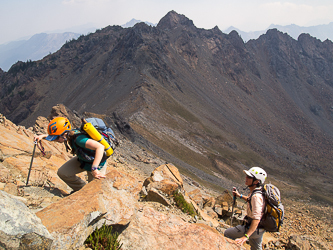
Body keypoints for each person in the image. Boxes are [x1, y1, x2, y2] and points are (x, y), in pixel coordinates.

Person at [34, 117, 107, 193]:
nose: (55, 140)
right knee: (63, 173)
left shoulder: (79, 140)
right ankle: (81, 190)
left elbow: (100, 147)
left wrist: (94, 169)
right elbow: (56, 137)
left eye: (56, 138)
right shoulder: (69, 135)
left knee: (94, 192)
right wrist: (42, 136)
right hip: (83, 160)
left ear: (64, 134)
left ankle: (86, 193)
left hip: (97, 164)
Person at [224, 167, 267, 250]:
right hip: (260, 229)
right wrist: (239, 195)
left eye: (249, 177)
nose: (246, 178)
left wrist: (246, 236)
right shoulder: (257, 192)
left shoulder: (256, 196)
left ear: (256, 181)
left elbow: (256, 219)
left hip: (253, 228)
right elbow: (249, 199)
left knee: (227, 233)